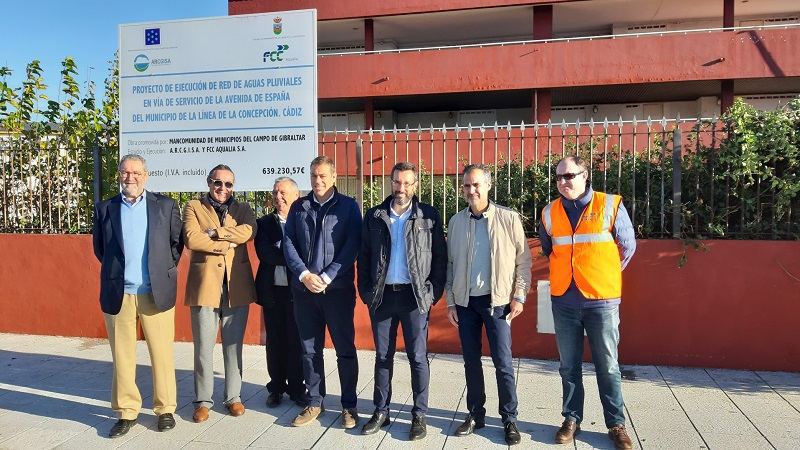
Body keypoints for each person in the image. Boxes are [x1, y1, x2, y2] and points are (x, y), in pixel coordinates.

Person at [539, 155, 636, 450]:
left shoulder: (610, 205)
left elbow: (628, 246)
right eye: (558, 178)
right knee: (568, 366)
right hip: (564, 301)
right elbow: (548, 249)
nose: (563, 182)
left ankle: (616, 424)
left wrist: (603, 275)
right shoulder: (549, 212)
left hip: (601, 301)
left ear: (585, 175)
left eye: (569, 176)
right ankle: (571, 419)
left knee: (608, 366)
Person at [92, 154, 183, 438]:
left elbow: (176, 244)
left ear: (146, 175)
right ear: (118, 175)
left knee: (162, 354)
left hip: (155, 292)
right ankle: (126, 411)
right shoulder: (105, 208)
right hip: (119, 292)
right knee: (122, 356)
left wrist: (161, 272)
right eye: (124, 172)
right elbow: (100, 250)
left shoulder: (165, 206)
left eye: (135, 173)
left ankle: (165, 408)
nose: (130, 177)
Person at [357, 162, 447, 441]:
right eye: (397, 182)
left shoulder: (428, 216)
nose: (401, 188)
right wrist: (367, 291)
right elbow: (364, 256)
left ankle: (419, 415)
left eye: (407, 183)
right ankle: (380, 411)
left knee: (417, 357)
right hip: (382, 297)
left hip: (414, 297)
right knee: (382, 356)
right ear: (391, 182)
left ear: (415, 185)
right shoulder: (374, 215)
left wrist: (432, 292)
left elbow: (440, 258)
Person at [445, 164, 531, 446]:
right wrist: (451, 302)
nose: (471, 190)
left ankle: (509, 419)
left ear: (488, 186)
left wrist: (519, 295)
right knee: (471, 361)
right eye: (467, 186)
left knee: (503, 363)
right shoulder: (456, 222)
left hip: (498, 303)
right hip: (466, 303)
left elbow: (523, 260)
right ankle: (475, 414)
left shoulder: (508, 218)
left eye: (476, 184)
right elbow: (449, 264)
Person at [283, 156, 362, 428]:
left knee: (345, 350)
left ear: (334, 177)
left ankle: (349, 406)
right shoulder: (299, 206)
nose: (318, 181)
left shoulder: (349, 207)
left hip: (337, 290)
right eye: (314, 176)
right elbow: (288, 243)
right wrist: (304, 275)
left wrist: (328, 276)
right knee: (309, 350)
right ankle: (314, 402)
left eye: (323, 176)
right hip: (304, 290)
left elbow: (352, 245)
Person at [182, 164, 257, 423]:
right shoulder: (193, 207)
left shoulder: (244, 209)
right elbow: (192, 239)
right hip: (205, 286)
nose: (222, 188)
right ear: (208, 182)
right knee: (203, 346)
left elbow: (249, 231)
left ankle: (233, 397)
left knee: (233, 346)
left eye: (228, 184)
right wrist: (228, 244)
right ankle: (203, 400)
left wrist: (215, 234)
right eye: (217, 182)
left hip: (236, 285)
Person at [254, 176, 306, 408]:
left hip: (298, 292)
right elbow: (265, 253)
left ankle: (297, 388)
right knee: (275, 342)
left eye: (283, 192)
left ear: (296, 196)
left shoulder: (304, 221)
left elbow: (308, 253)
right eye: (275, 193)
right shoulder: (264, 223)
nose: (278, 197)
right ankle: (276, 388)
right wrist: (291, 254)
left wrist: (281, 248)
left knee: (297, 341)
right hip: (273, 291)